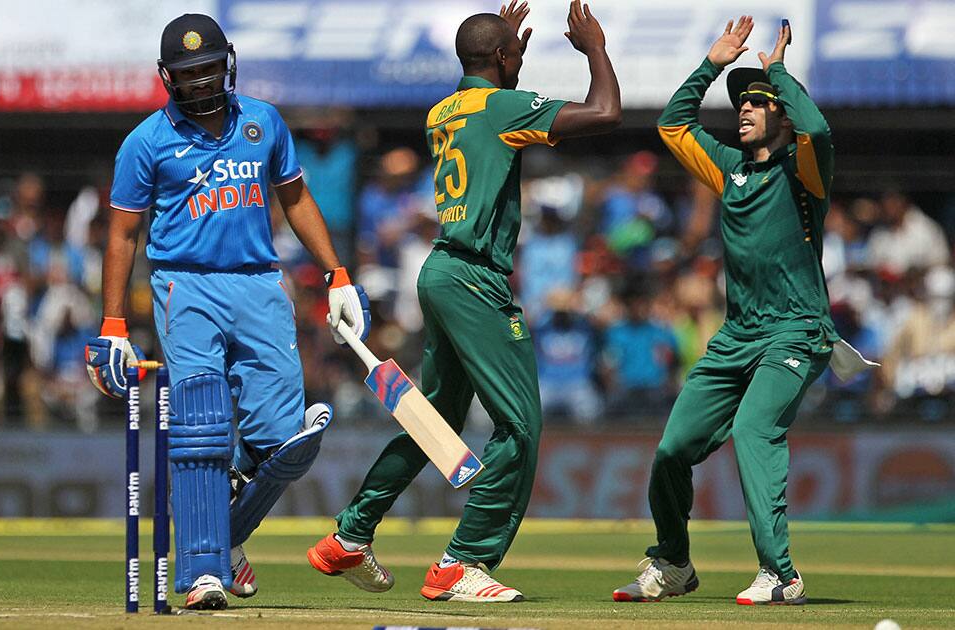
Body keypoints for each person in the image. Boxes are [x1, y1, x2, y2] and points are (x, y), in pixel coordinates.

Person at [307, 0, 621, 603]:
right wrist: (594, 49)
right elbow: (605, 112)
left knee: (439, 420)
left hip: (441, 270)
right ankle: (462, 562)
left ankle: (352, 534)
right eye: (511, 52)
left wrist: (507, 59)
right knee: (521, 426)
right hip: (476, 279)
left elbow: (496, 122)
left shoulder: (443, 110)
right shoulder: (502, 106)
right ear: (503, 57)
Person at [83, 14, 369, 611]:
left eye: (211, 66)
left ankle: (224, 530)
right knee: (199, 420)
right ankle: (203, 571)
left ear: (229, 62)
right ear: (169, 78)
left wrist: (336, 273)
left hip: (260, 285)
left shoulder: (263, 121)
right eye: (190, 73)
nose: (204, 79)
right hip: (184, 287)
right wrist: (113, 323)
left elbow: (294, 197)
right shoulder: (147, 141)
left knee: (283, 440)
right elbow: (122, 234)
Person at [612, 17, 873, 605]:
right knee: (672, 450)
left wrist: (777, 70)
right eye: (743, 102)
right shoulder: (728, 169)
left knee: (755, 432)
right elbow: (672, 124)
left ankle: (780, 573)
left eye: (760, 102)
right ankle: (673, 564)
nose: (747, 108)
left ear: (782, 113)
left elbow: (821, 131)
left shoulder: (803, 171)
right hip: (738, 335)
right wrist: (712, 65)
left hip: (796, 330)